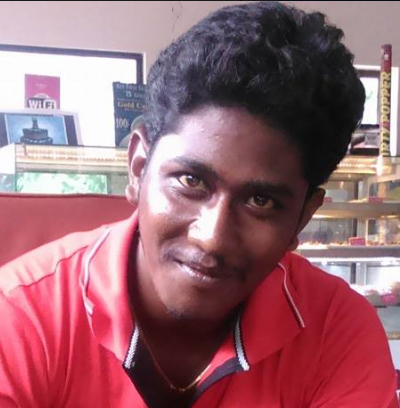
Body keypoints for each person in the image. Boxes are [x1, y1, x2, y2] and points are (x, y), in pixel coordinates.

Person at [0, 2, 397, 407]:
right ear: (138, 168)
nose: (212, 238)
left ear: (303, 218)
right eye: (190, 181)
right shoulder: (20, 315)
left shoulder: (335, 330)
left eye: (261, 201)